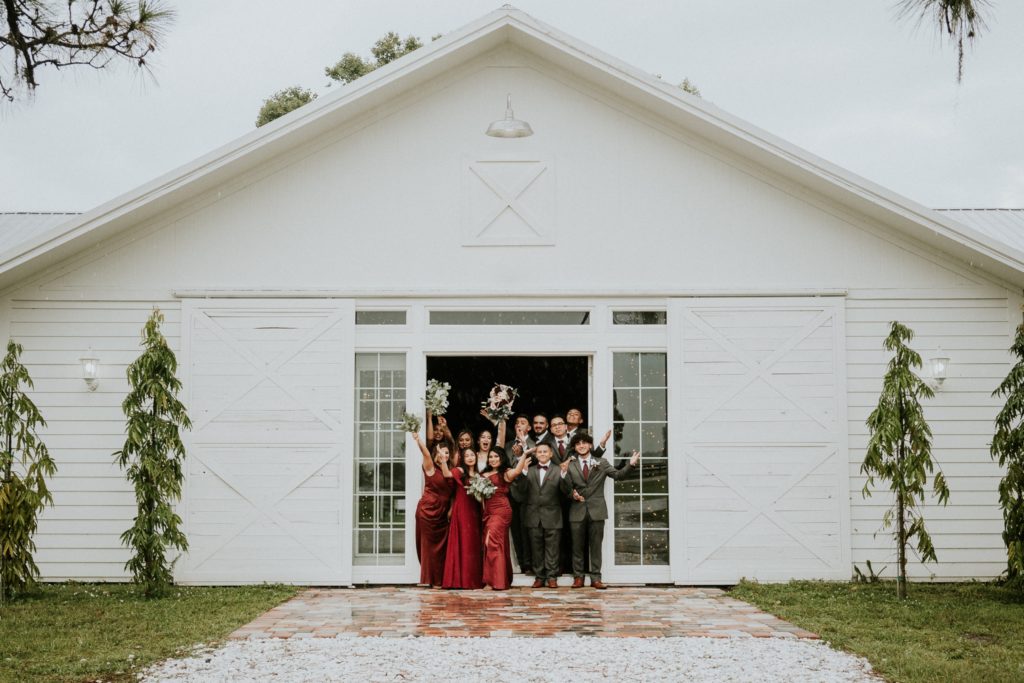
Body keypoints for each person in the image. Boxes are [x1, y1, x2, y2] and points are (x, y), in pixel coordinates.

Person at [562, 431, 640, 589]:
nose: (581, 446)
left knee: (596, 546)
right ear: (575, 448)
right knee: (577, 546)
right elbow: (565, 488)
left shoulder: (601, 462)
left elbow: (618, 476)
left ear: (590, 445)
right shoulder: (569, 464)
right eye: (578, 444)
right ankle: (578, 578)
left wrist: (631, 464)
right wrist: (572, 494)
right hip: (577, 510)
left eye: (584, 443)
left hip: (597, 510)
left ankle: (596, 578)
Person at [481, 447, 529, 590]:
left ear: (501, 458)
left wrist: (524, 455)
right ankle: (499, 578)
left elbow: (517, 471)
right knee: (491, 542)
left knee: (492, 542)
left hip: (501, 510)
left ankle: (493, 581)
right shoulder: (483, 474)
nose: (493, 459)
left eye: (496, 456)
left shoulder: (505, 473)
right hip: (487, 511)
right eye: (491, 457)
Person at [411, 432, 454, 588]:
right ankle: (432, 580)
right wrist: (418, 440)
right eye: (441, 452)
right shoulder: (430, 467)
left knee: (441, 548)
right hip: (428, 512)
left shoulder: (450, 470)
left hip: (442, 514)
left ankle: (441, 579)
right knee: (429, 547)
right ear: (436, 453)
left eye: (447, 452)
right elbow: (425, 452)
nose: (444, 455)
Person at [522, 443, 566, 588]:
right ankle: (539, 576)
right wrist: (523, 473)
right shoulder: (530, 470)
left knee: (552, 549)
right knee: (536, 548)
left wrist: (564, 476)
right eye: (539, 451)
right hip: (533, 515)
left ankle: (551, 576)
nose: (541, 453)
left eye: (545, 451)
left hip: (552, 515)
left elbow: (565, 492)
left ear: (551, 454)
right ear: (535, 454)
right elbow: (521, 491)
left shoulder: (558, 469)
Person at [442, 448, 483, 589]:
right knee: (462, 542)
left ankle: (472, 580)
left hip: (475, 512)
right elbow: (447, 474)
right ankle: (458, 580)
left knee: (472, 544)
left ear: (476, 456)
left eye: (472, 455)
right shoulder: (459, 471)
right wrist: (443, 461)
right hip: (461, 510)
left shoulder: (479, 475)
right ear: (463, 458)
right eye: (467, 455)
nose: (470, 458)